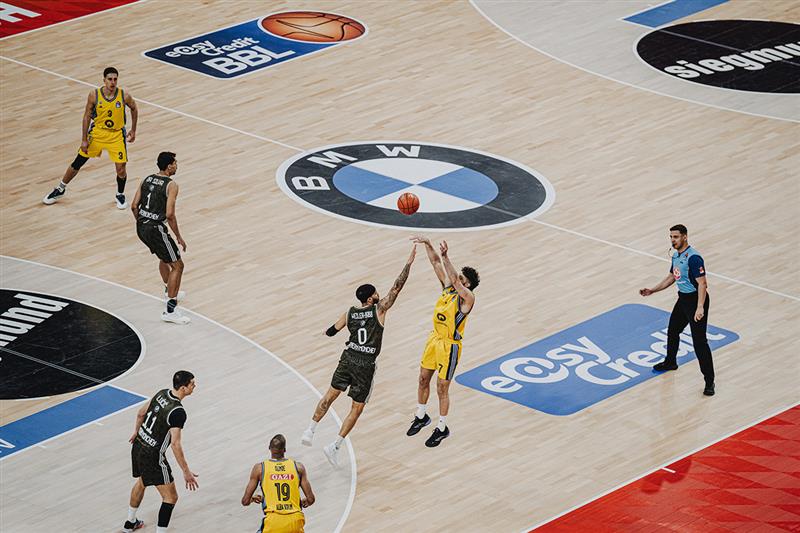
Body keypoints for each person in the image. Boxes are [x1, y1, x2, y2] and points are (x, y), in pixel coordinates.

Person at [300, 245, 417, 467]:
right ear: (371, 298)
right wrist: (408, 264)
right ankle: (334, 446)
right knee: (357, 408)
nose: (378, 294)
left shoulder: (350, 313)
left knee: (329, 396)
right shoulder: (379, 310)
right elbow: (397, 287)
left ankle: (310, 430)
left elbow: (332, 331)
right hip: (365, 365)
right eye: (375, 293)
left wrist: (324, 332)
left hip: (348, 358)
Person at [407, 237, 479, 447]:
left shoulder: (468, 299)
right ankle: (421, 416)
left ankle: (442, 428)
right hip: (434, 339)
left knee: (441, 387)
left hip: (450, 346)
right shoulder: (448, 289)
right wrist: (428, 244)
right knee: (423, 379)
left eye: (462, 279)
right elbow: (436, 263)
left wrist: (447, 256)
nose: (456, 278)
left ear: (467, 285)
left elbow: (453, 278)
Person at [43, 67, 138, 208]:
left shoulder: (124, 95)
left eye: (115, 79)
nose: (113, 82)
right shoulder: (94, 95)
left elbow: (134, 108)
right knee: (78, 161)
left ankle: (120, 194)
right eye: (110, 79)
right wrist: (84, 139)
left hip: (116, 135)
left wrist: (133, 130)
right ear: (104, 80)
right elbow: (87, 116)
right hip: (98, 133)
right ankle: (60, 188)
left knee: (121, 169)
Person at [640, 224, 715, 396]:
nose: (673, 240)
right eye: (671, 237)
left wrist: (700, 307)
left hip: (696, 300)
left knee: (699, 342)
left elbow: (703, 284)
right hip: (683, 299)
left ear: (685, 237)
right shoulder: (675, 256)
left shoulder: (694, 258)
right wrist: (653, 290)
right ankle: (670, 362)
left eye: (676, 237)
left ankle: (709, 381)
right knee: (673, 330)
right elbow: (672, 277)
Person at [123, 371, 199, 533]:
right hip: (152, 456)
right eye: (192, 384)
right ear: (183, 388)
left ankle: (130, 523)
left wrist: (137, 432)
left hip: (138, 445)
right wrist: (186, 471)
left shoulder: (161, 393)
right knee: (171, 498)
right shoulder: (177, 412)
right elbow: (175, 444)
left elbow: (141, 413)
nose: (195, 386)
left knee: (142, 482)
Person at [131, 152, 189, 324]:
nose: (177, 166)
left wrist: (143, 223)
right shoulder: (171, 185)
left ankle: (168, 289)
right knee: (178, 265)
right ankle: (171, 310)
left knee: (164, 257)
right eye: (175, 163)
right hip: (155, 228)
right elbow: (170, 214)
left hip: (141, 227)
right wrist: (178, 236)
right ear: (169, 166)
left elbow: (134, 206)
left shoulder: (146, 179)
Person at [241, 434, 315, 533]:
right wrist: (304, 501)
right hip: (295, 521)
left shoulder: (260, 469)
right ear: (284, 450)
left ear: (269, 448)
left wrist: (252, 499)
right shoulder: (298, 467)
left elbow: (245, 501)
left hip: (274, 521)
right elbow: (311, 499)